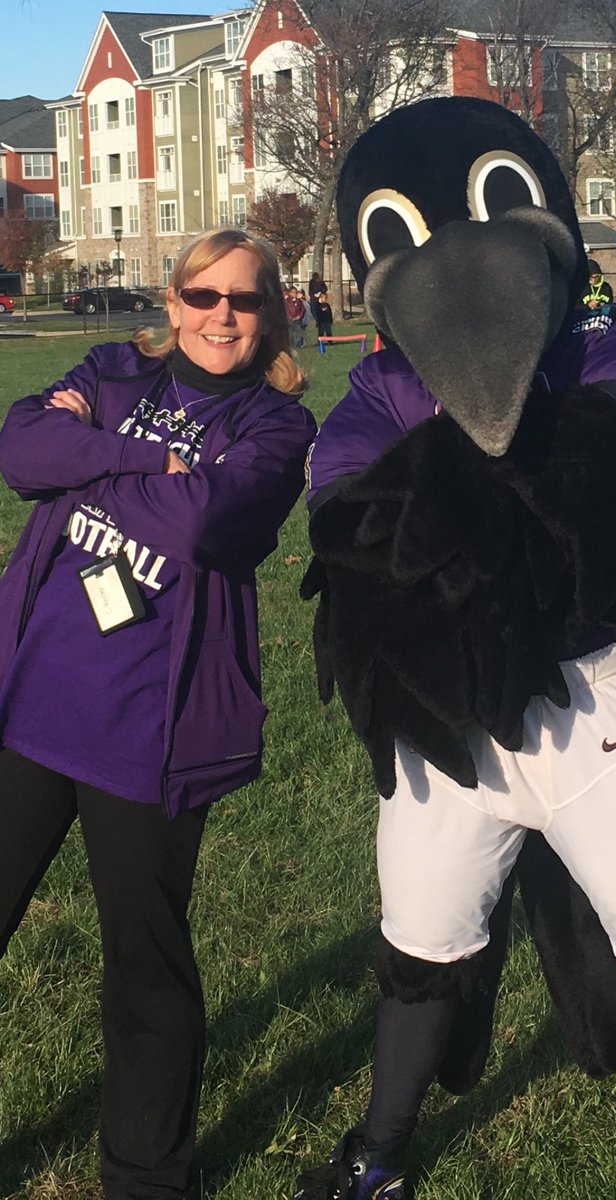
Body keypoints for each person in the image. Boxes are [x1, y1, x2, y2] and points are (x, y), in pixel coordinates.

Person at [294, 96, 616, 1200]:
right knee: (421, 947)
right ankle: (378, 1154)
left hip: (586, 700)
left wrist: (439, 503)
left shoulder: (614, 333)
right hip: (443, 717)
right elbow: (346, 519)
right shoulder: (377, 382)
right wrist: (477, 506)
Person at [0, 226, 315, 1200]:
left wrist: (96, 463)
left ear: (271, 318)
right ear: (172, 304)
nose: (224, 315)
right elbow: (21, 447)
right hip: (30, 709)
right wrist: (148, 461)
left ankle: (144, 1178)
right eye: (204, 295)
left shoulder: (279, 426)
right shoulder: (110, 369)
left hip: (151, 736)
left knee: (146, 962)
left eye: (245, 300)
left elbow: (209, 523)